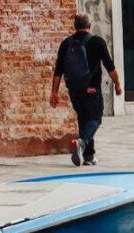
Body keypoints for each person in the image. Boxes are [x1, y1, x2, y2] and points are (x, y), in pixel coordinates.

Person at [51, 14, 122, 166]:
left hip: (74, 89)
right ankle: (82, 143)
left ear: (75, 26)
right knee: (95, 118)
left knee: (84, 118)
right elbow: (110, 66)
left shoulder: (66, 44)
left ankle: (89, 156)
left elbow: (58, 71)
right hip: (91, 88)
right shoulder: (97, 42)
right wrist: (117, 84)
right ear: (89, 26)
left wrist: (54, 93)